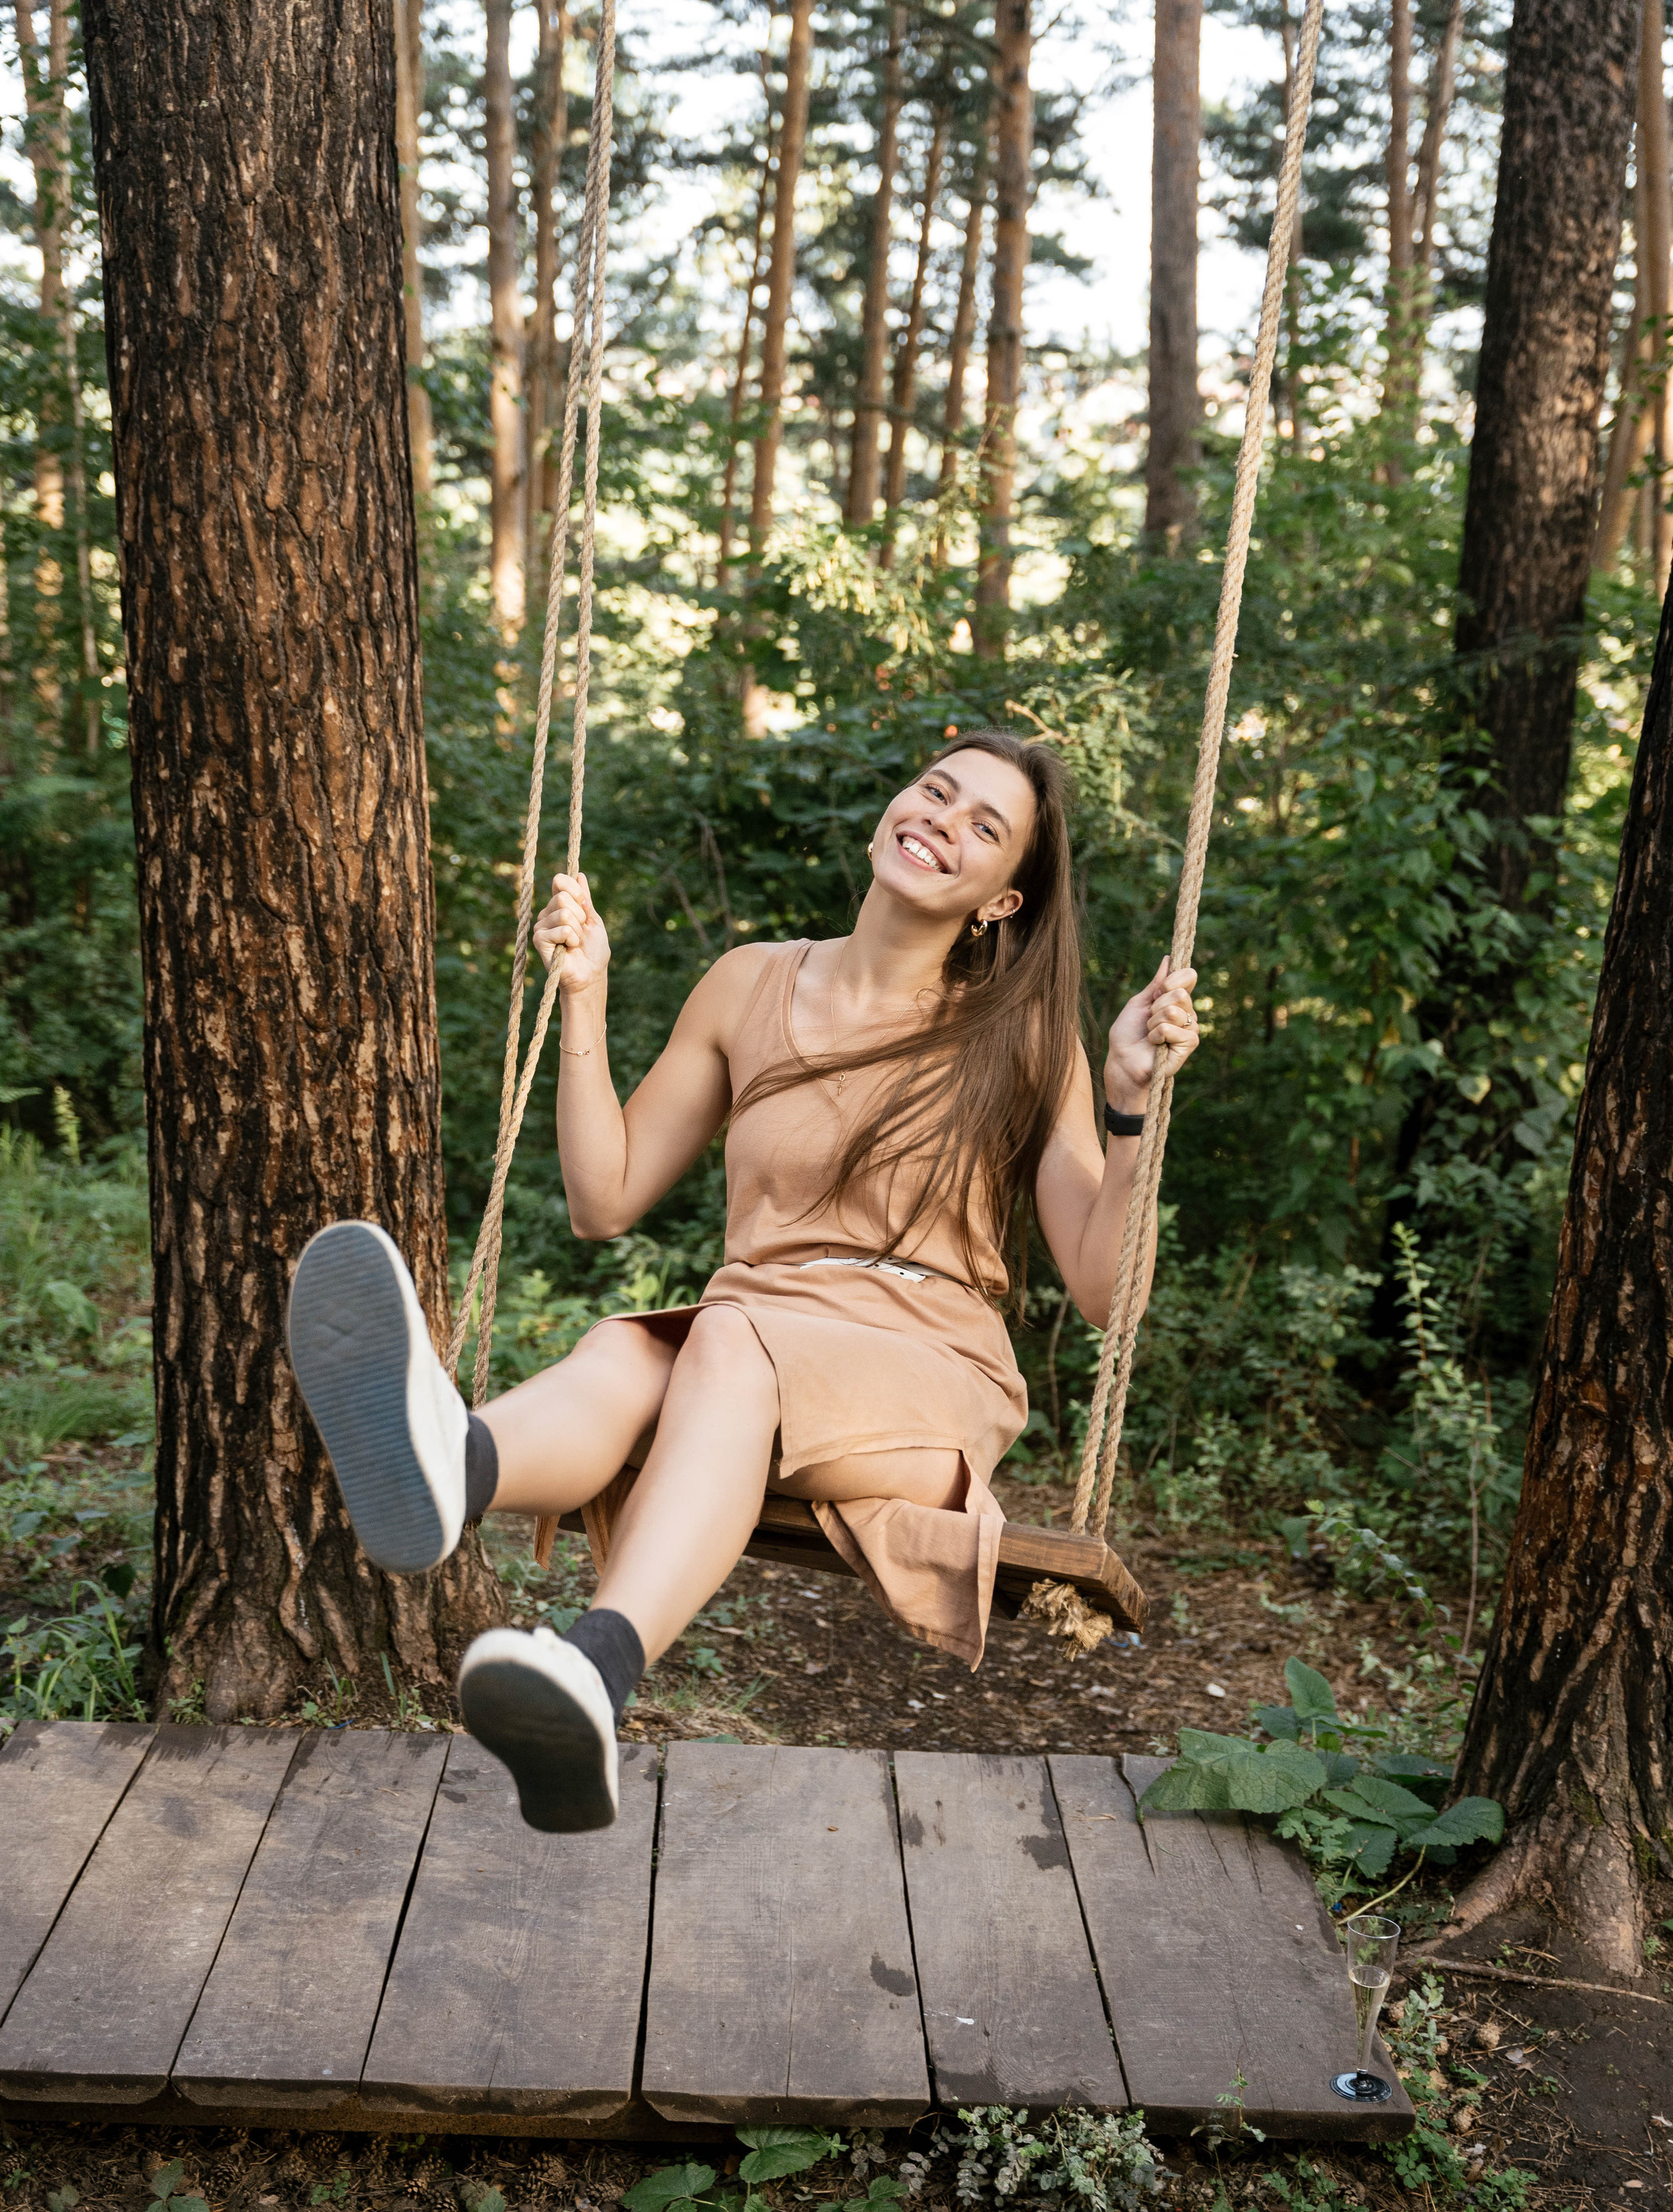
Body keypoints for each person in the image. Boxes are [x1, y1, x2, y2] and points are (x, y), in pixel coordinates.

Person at [286, 732, 1200, 1835]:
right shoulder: (749, 983)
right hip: (758, 1323)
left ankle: (599, 1667)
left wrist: (1131, 1108)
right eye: (935, 791)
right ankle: (454, 1463)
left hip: (926, 1366)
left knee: (720, 1339)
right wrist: (585, 997)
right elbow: (604, 1200)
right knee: (632, 1348)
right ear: (894, 806)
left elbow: (1108, 1294)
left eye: (984, 828)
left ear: (1003, 900)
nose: (941, 822)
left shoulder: (1023, 1036)